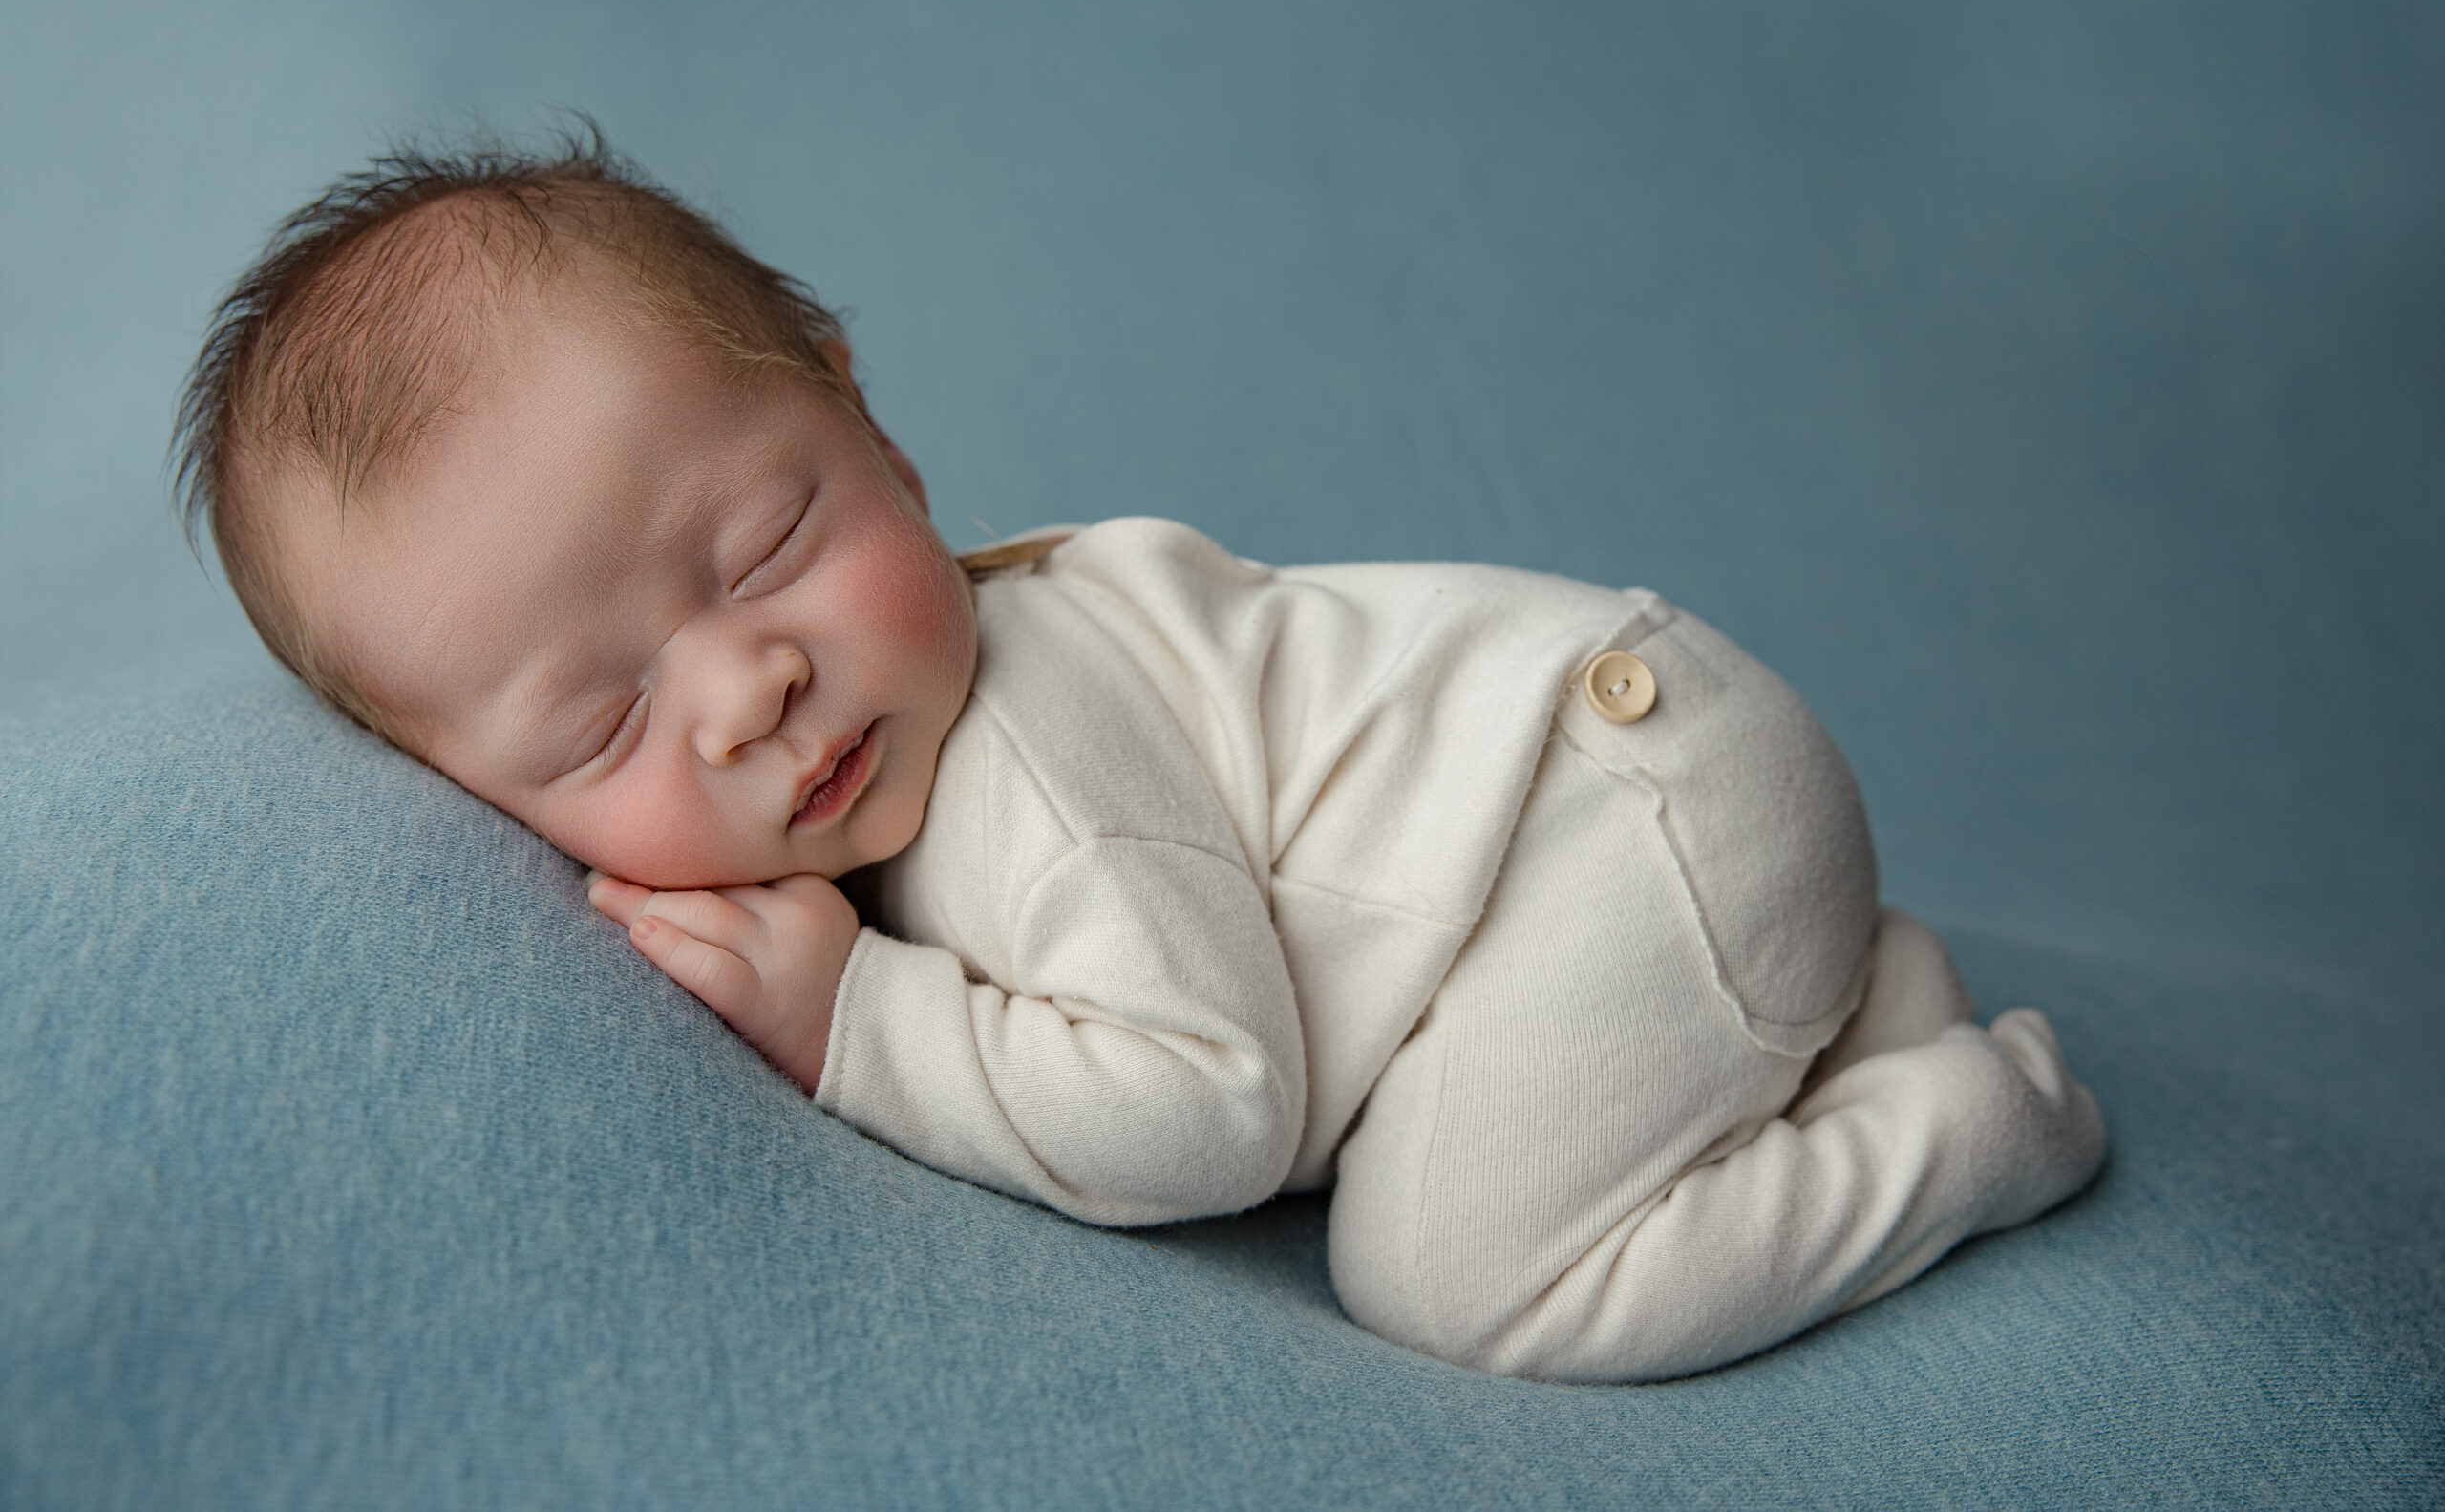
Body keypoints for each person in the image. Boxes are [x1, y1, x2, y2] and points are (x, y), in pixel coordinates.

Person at [171, 134, 2105, 1383]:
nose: (747, 686)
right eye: (601, 722)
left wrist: (865, 1024)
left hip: (1614, 811)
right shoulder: (878, 723)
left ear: (870, 419)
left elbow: (1212, 1104)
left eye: (765, 543)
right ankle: (1824, 1002)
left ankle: (1956, 1124)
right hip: (1639, 795)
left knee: (1463, 1278)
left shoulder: (1031, 767)